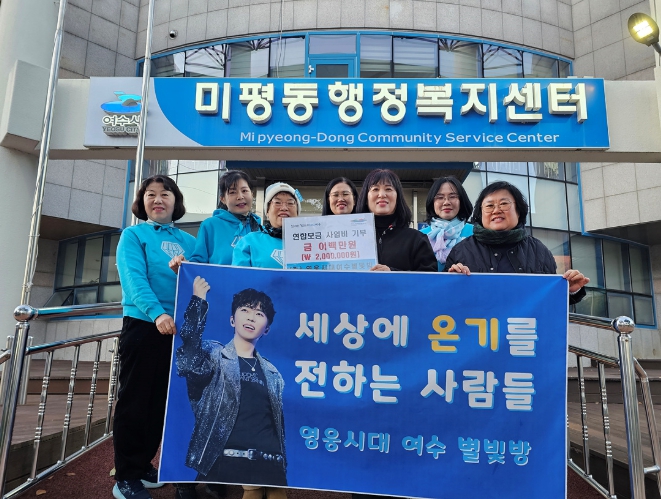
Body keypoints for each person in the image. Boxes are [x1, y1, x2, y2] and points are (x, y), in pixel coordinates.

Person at [113, 175, 196, 499]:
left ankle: (144, 463)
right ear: (142, 201)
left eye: (165, 194)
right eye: (151, 194)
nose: (158, 199)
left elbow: (200, 281)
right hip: (145, 325)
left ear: (176, 202)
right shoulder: (133, 235)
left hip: (179, 330)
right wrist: (157, 313)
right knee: (136, 402)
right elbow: (133, 279)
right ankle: (126, 475)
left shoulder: (190, 242)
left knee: (162, 402)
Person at [176, 277, 287, 499]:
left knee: (277, 494)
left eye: (259, 314)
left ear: (266, 329)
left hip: (270, 460)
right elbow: (187, 362)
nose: (251, 317)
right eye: (245, 310)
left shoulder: (273, 373)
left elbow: (276, 426)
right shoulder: (213, 355)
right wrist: (198, 302)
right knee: (252, 491)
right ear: (232, 320)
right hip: (228, 458)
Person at [444, 180, 589, 304]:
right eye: (489, 206)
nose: (496, 210)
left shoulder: (539, 251)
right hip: (477, 327)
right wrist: (450, 281)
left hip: (522, 328)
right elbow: (444, 299)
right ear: (480, 214)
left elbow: (549, 301)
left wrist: (570, 291)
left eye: (504, 204)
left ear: (518, 211)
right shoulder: (461, 251)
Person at [169, 170, 260, 274]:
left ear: (252, 194)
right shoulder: (210, 225)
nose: (240, 196)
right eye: (232, 192)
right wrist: (184, 265)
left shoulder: (260, 228)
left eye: (244, 191)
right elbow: (198, 262)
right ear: (223, 199)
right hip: (219, 284)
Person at [356, 169, 436, 272]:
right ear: (366, 198)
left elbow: (429, 278)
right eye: (375, 189)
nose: (382, 194)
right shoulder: (353, 239)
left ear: (398, 197)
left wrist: (393, 273)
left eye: (388, 189)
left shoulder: (416, 239)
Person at [232, 182, 301, 269]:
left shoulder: (311, 242)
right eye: (277, 202)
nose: (284, 208)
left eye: (290, 203)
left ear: (297, 212)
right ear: (267, 211)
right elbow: (239, 276)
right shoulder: (249, 242)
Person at [420, 177, 474, 271]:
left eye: (452, 197)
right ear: (432, 202)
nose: (446, 202)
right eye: (440, 197)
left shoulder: (475, 233)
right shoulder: (420, 236)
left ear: (461, 201)